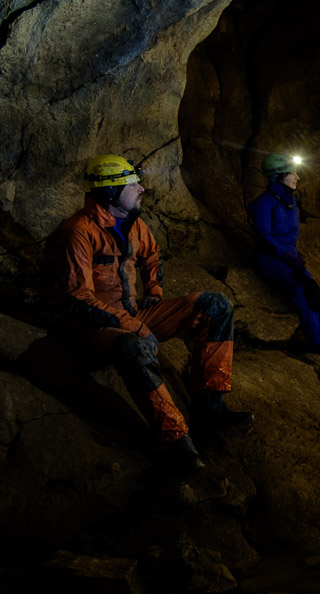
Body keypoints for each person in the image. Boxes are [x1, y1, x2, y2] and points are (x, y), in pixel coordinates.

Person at [50, 154, 254, 465]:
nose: (141, 188)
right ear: (110, 193)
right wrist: (134, 327)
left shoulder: (134, 224)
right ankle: (176, 439)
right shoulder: (78, 231)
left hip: (134, 313)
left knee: (216, 305)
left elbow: (152, 256)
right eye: (133, 184)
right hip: (97, 327)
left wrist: (154, 293)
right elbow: (78, 298)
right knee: (134, 348)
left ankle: (211, 405)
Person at [248, 153, 320, 349]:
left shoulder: (290, 201)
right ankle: (316, 341)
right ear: (278, 176)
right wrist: (284, 254)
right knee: (302, 291)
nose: (297, 177)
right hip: (272, 260)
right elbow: (263, 236)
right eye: (293, 173)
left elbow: (288, 235)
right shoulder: (265, 202)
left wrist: (293, 253)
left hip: (289, 258)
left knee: (314, 292)